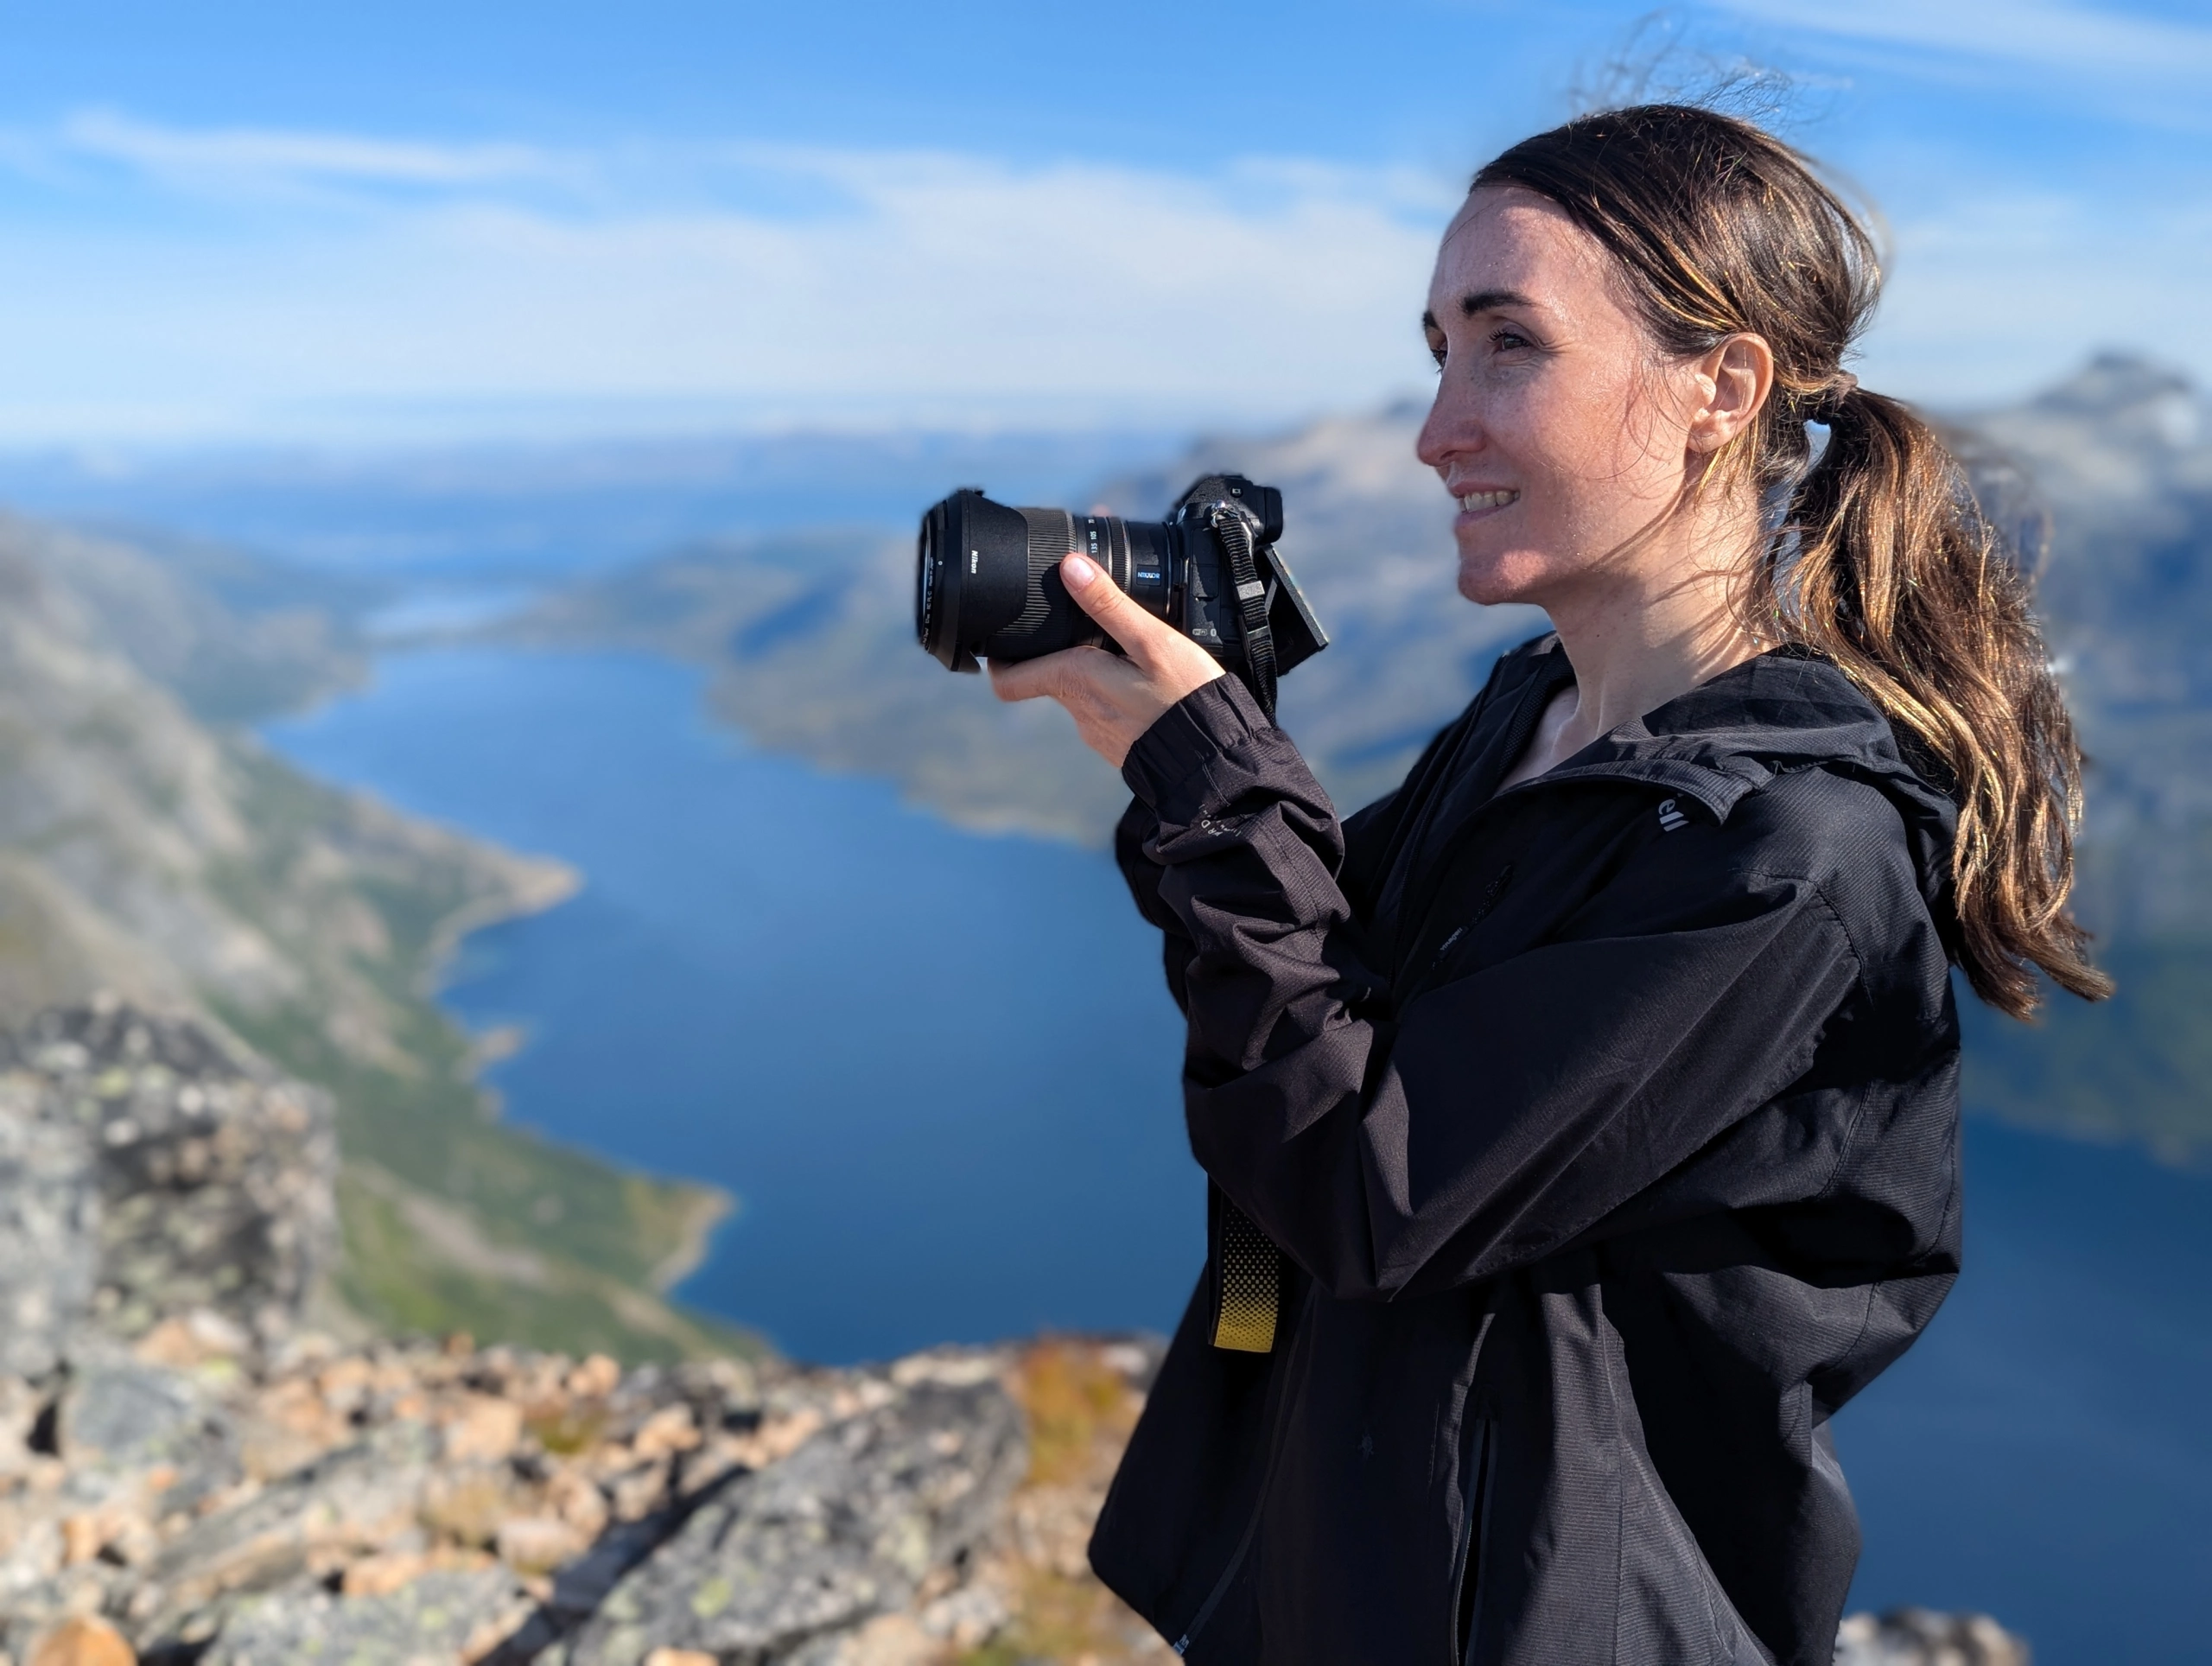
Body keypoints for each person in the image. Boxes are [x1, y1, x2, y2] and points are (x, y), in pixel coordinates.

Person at [988, 103, 2108, 1666]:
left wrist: (1214, 791)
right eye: (1440, 349)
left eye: (1508, 345)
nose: (1439, 425)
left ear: (1722, 387)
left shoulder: (1784, 850)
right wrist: (1190, 765)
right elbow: (1316, 1006)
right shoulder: (1535, 717)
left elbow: (1372, 1188)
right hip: (1352, 1581)